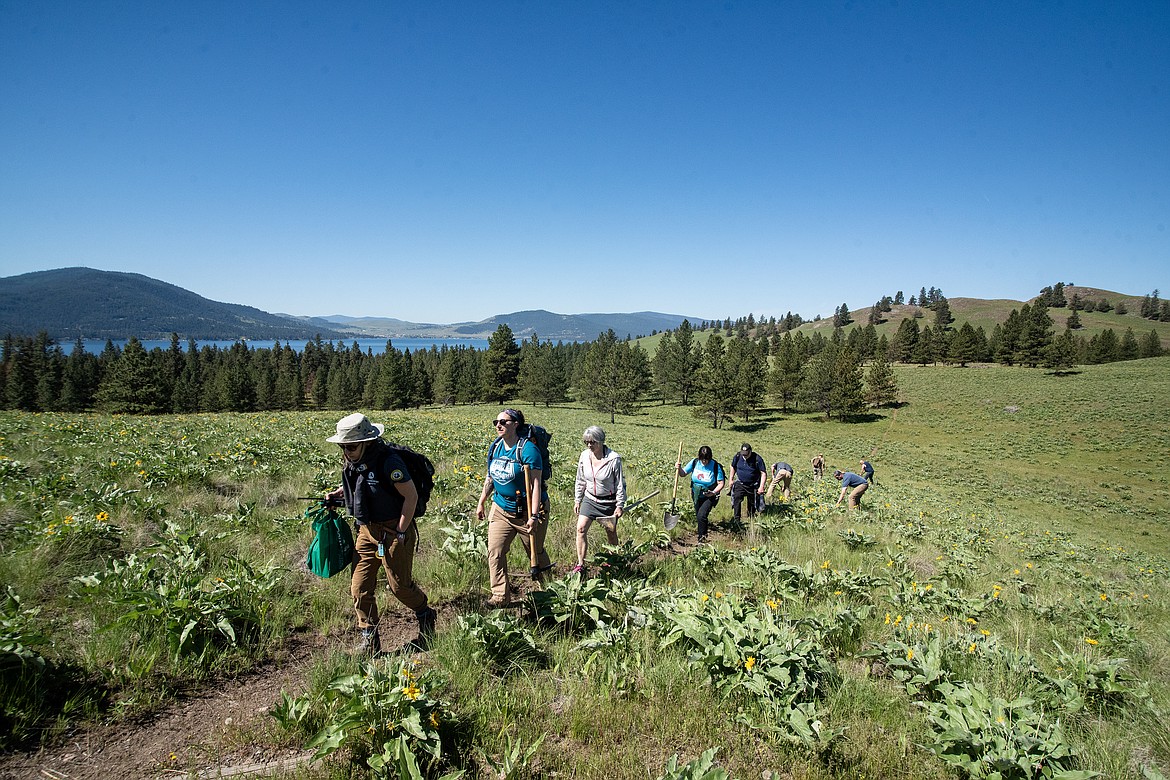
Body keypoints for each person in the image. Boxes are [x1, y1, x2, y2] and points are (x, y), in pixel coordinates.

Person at [325, 413, 435, 655]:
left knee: (400, 587)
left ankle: (426, 614)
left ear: (366, 441)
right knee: (359, 587)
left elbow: (411, 496)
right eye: (342, 447)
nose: (346, 451)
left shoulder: (390, 462)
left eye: (350, 446)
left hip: (393, 531)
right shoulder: (353, 460)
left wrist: (401, 531)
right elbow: (358, 484)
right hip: (366, 530)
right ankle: (369, 640)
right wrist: (337, 494)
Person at [476, 409, 551, 607]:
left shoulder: (528, 450)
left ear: (515, 423)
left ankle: (550, 590)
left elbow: (535, 485)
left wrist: (534, 516)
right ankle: (500, 596)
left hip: (528, 510)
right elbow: (490, 476)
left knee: (535, 551)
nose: (498, 425)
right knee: (495, 551)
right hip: (501, 508)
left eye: (503, 421)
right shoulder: (495, 447)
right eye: (496, 422)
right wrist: (482, 500)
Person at [572, 425, 626, 574]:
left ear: (601, 441)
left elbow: (620, 483)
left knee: (610, 532)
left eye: (593, 442)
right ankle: (580, 565)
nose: (590, 445)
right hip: (590, 499)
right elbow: (580, 479)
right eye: (587, 442)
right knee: (581, 528)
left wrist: (619, 505)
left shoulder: (614, 459)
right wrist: (578, 499)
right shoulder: (584, 456)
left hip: (608, 501)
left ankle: (613, 561)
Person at [676, 445, 725, 543]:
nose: (704, 462)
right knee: (699, 515)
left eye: (706, 459)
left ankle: (701, 539)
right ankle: (704, 532)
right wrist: (679, 468)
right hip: (696, 493)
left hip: (710, 495)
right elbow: (683, 474)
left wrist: (713, 492)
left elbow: (721, 483)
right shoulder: (694, 462)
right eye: (702, 459)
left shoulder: (715, 466)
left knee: (701, 515)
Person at [729, 443, 767, 523]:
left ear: (750, 451)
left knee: (752, 503)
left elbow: (763, 473)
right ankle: (736, 520)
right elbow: (732, 466)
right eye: (743, 454)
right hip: (740, 482)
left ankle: (751, 518)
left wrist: (761, 486)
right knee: (737, 499)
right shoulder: (738, 456)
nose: (745, 456)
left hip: (753, 484)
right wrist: (731, 479)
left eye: (746, 454)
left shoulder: (757, 459)